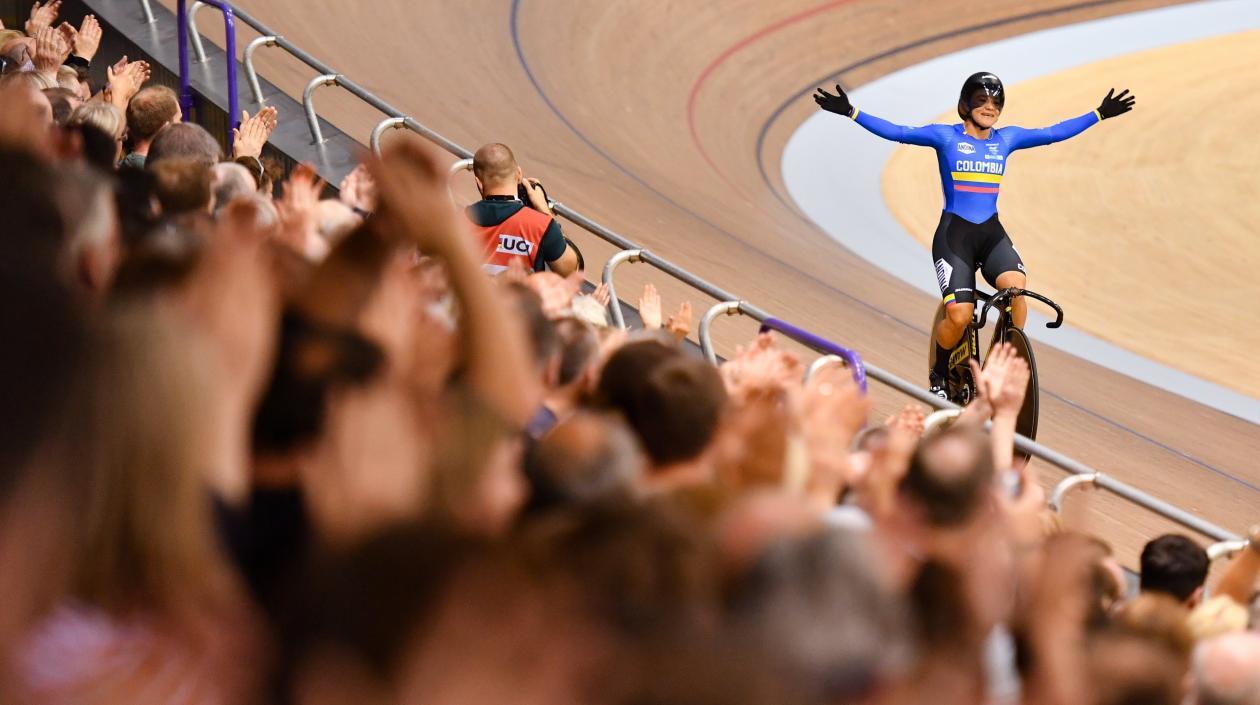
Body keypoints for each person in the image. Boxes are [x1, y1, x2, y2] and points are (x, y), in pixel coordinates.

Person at [814, 72, 1136, 397]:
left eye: (996, 102)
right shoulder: (945, 137)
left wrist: (1098, 114)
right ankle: (939, 373)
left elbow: (1052, 133)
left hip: (991, 234)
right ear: (965, 106)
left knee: (1017, 290)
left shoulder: (1006, 139)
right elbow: (899, 132)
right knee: (959, 315)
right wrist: (852, 112)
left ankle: (1000, 366)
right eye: (981, 100)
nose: (990, 107)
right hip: (955, 239)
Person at [465, 142, 579, 276]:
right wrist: (544, 210)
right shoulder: (541, 226)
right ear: (519, 174)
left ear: (478, 183)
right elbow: (571, 270)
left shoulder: (456, 220)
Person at [121, 85, 180, 169]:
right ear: (164, 130)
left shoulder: (123, 166)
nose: (181, 125)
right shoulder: (156, 173)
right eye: (179, 120)